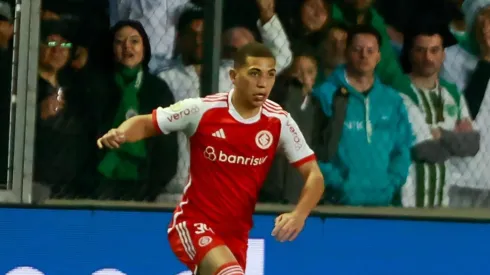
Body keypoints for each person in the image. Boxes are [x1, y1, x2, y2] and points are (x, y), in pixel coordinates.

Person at [96, 42, 325, 275]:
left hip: (236, 235)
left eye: (270, 75)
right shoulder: (202, 110)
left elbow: (314, 175)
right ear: (234, 76)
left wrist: (300, 214)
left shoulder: (279, 121)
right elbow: (148, 123)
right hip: (194, 223)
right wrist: (122, 132)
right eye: (254, 73)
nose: (263, 83)